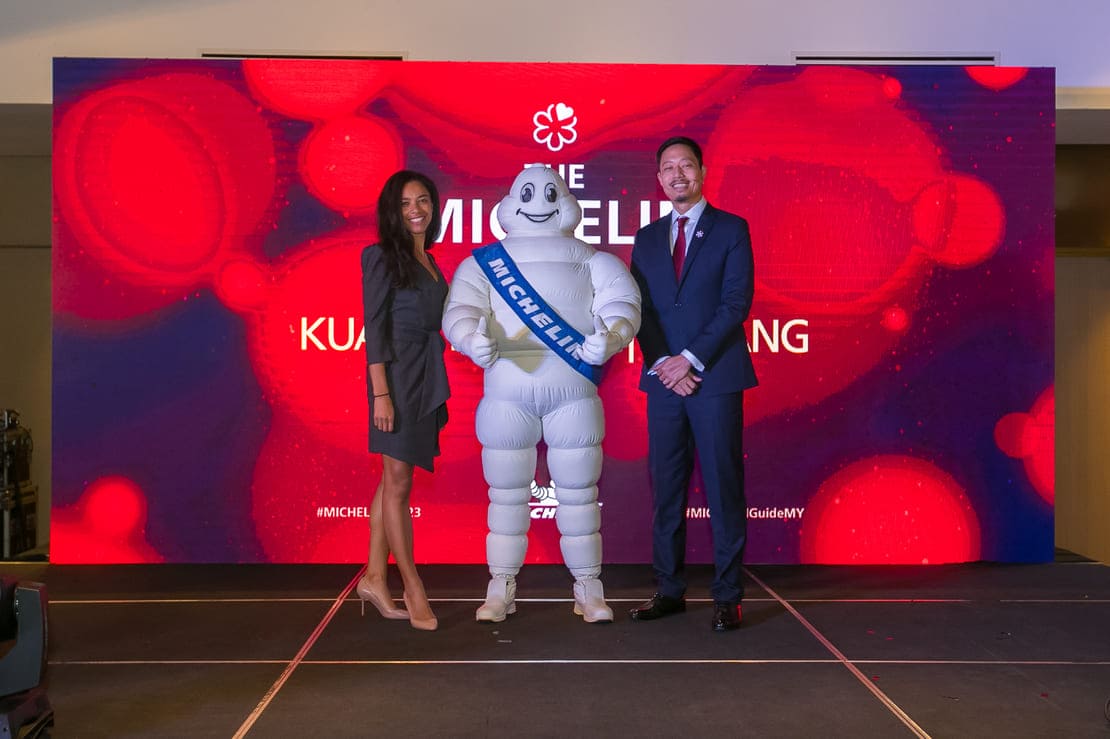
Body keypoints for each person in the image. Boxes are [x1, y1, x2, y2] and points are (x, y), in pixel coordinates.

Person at [443, 165, 641, 624]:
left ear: (567, 200)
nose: (538, 200)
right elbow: (461, 310)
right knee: (506, 494)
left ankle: (589, 586)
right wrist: (471, 337)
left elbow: (622, 305)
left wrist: (611, 335)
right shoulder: (483, 264)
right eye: (528, 192)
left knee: (579, 493)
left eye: (548, 192)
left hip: (573, 393)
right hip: (507, 393)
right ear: (511, 203)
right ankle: (501, 584)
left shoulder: (595, 260)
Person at [629, 136, 757, 631]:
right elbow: (638, 309)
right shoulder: (645, 238)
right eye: (668, 168)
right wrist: (664, 361)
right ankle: (669, 589)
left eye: (686, 165)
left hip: (715, 377)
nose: (677, 174)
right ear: (658, 178)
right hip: (663, 381)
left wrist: (689, 360)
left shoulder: (731, 229)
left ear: (702, 171)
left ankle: (727, 594)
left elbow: (734, 304)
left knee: (723, 486)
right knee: (666, 490)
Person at [358, 170, 450, 631]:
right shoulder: (379, 257)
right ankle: (412, 585)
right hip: (394, 379)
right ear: (392, 212)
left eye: (423, 201)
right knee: (397, 482)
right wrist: (381, 395)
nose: (416, 210)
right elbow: (375, 330)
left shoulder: (431, 260)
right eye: (406, 203)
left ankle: (375, 577)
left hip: (425, 375)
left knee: (393, 480)